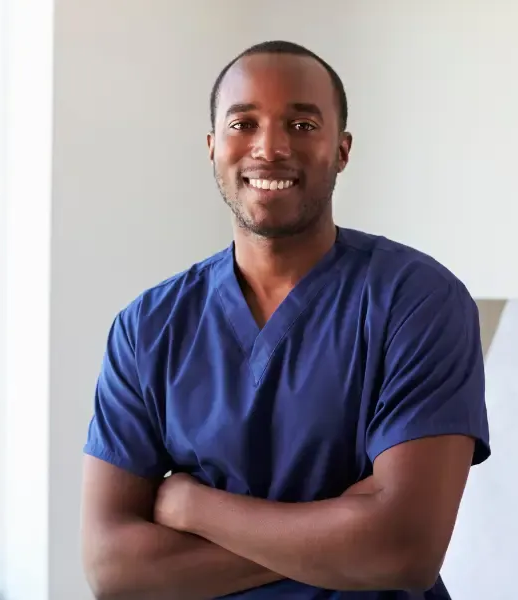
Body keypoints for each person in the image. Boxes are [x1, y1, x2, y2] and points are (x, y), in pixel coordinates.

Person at [80, 40, 490, 600]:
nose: (269, 148)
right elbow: (113, 569)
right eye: (243, 123)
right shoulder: (148, 328)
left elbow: (402, 551)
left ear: (342, 151)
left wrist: (195, 507)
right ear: (211, 147)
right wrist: (343, 528)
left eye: (301, 125)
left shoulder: (418, 303)